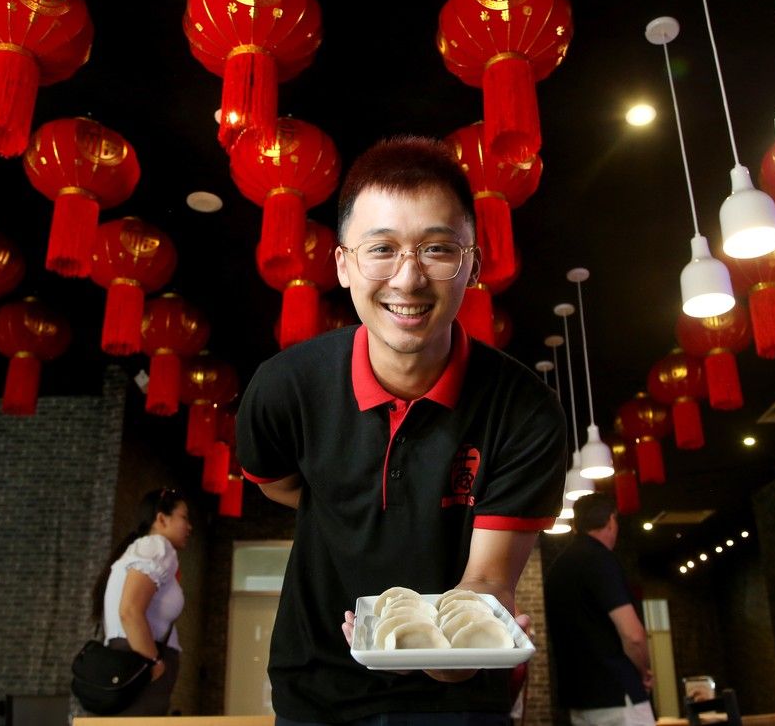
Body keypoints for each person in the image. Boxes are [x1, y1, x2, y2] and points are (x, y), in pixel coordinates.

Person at [235, 134, 568, 725]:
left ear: (473, 262)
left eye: (438, 249)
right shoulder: (286, 388)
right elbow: (280, 485)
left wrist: (454, 656)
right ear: (342, 264)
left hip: (460, 703)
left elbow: (489, 576)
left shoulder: (526, 410)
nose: (409, 280)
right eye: (380, 249)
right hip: (315, 686)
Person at [543, 492, 655, 726]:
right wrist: (644, 671)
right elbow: (633, 636)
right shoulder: (600, 559)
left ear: (576, 525)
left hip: (578, 698)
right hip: (617, 694)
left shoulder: (558, 568)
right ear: (611, 521)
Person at [88, 487, 191, 716]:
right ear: (161, 519)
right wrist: (154, 663)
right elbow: (130, 610)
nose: (189, 526)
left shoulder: (142, 548)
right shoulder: (158, 546)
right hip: (141, 661)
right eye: (184, 517)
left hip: (133, 658)